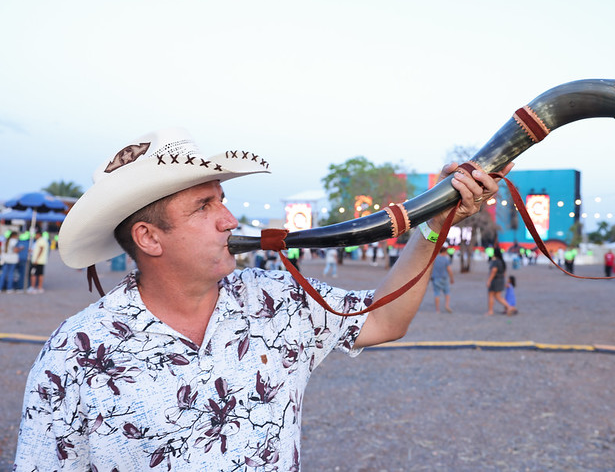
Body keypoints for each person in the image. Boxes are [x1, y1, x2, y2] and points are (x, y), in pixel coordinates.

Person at [15, 128, 510, 470]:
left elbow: (382, 320)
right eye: (204, 207)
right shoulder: (74, 355)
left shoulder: (275, 300)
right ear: (148, 238)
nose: (229, 220)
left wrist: (431, 227)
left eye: (222, 200)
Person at [486, 246, 516, 315]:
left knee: (491, 295)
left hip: (495, 280)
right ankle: (509, 307)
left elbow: (494, 271)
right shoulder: (502, 262)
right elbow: (504, 273)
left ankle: (490, 311)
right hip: (501, 280)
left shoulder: (495, 262)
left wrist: (489, 280)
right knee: (498, 296)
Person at [429, 245, 454, 313]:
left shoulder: (435, 258)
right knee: (447, 293)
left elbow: (430, 269)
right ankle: (447, 305)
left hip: (435, 278)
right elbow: (449, 270)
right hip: (444, 278)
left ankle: (437, 309)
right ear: (445, 251)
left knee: (437, 293)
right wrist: (452, 278)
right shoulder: (446, 259)